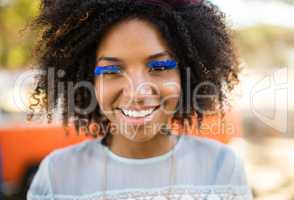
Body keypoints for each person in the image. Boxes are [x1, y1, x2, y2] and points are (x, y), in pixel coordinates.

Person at [27, 0, 253, 199]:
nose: (137, 92)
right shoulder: (57, 175)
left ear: (186, 76)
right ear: (88, 80)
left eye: (159, 67)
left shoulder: (221, 167)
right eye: (112, 71)